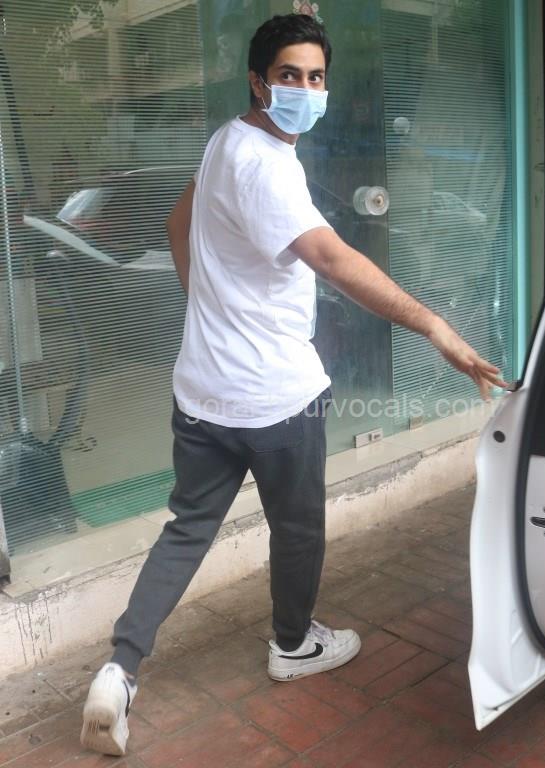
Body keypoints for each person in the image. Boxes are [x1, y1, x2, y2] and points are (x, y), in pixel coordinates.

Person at [80, 13, 506, 757]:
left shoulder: (226, 142)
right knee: (299, 529)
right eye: (288, 76)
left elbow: (179, 223)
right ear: (259, 81)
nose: (305, 90)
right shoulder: (270, 169)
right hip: (277, 399)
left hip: (202, 392)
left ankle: (120, 669)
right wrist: (437, 329)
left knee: (187, 529)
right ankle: (292, 644)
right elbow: (335, 262)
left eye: (315, 77)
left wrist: (208, 307)